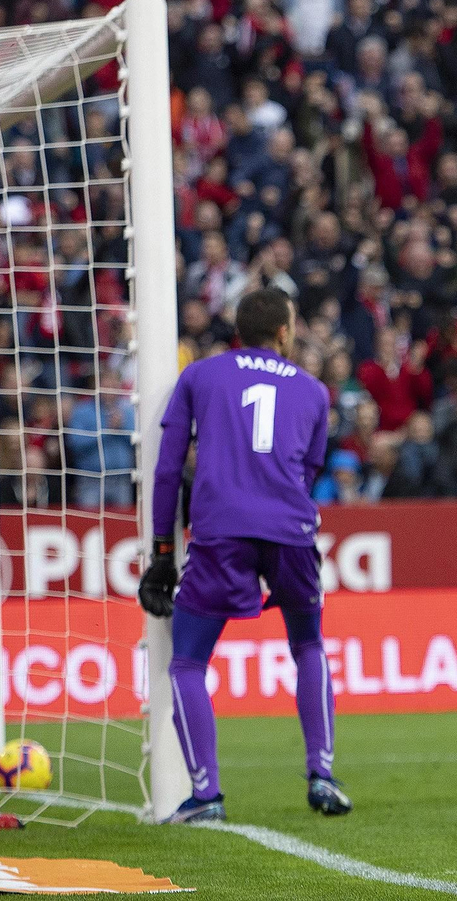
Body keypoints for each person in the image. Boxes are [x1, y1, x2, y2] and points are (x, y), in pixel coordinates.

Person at [137, 288, 351, 823]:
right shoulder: (314, 391)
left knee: (187, 661)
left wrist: (162, 551)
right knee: (308, 644)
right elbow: (308, 472)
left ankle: (206, 794)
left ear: (239, 330)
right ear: (284, 331)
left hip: (221, 531)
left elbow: (167, 470)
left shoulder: (199, 376)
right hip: (291, 531)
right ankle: (322, 776)